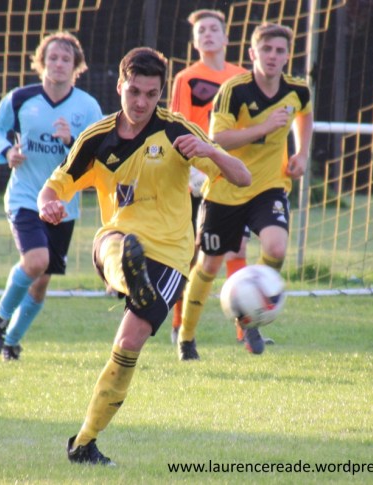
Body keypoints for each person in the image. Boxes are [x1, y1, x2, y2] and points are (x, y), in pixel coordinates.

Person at [38, 47, 250, 465]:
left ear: (160, 93)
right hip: (117, 239)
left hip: (169, 256)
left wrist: (210, 152)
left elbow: (241, 177)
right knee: (115, 246)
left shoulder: (176, 131)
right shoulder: (98, 137)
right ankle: (130, 276)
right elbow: (55, 185)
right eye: (133, 91)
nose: (140, 102)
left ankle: (84, 442)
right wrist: (48, 205)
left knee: (128, 343)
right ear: (120, 85)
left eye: (151, 94)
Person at [177, 22, 314, 360]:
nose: (272, 56)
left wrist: (302, 154)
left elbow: (305, 116)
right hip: (226, 187)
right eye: (266, 49)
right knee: (209, 265)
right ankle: (186, 338)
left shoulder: (298, 90)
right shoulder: (234, 90)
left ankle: (252, 313)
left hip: (269, 186)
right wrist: (263, 128)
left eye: (279, 51)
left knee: (276, 248)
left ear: (287, 56)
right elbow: (218, 139)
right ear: (253, 53)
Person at [0, 32, 102, 361]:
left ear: (76, 66)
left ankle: (11, 342)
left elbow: (100, 152)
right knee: (36, 261)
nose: (59, 64)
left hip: (63, 205)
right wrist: (6, 152)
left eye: (66, 59)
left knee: (40, 282)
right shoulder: (21, 98)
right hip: (24, 196)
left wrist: (71, 141)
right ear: (41, 63)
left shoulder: (87, 107)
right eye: (53, 58)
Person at [168, 8, 260, 347]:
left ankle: (245, 329)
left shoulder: (243, 78)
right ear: (194, 41)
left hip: (232, 175)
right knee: (191, 255)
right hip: (196, 176)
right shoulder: (186, 78)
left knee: (237, 249)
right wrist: (189, 169)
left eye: (213, 29)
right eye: (201, 31)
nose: (207, 34)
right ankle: (179, 324)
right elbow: (177, 125)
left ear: (225, 37)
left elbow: (251, 127)